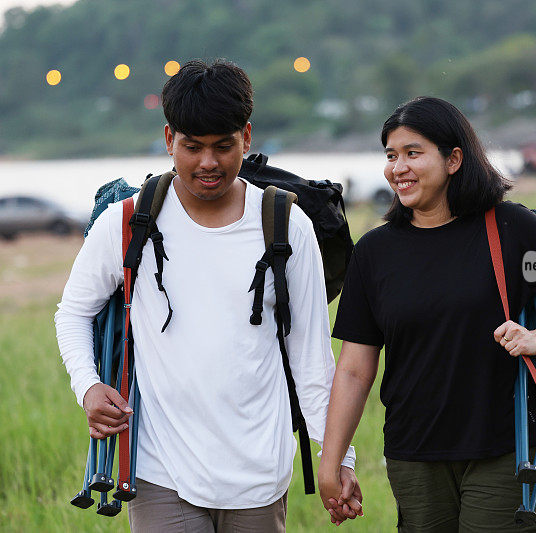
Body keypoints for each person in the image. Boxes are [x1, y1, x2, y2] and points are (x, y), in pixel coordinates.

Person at [55, 59, 360, 532]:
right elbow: (73, 311)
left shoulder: (286, 226)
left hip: (260, 472)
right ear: (168, 138)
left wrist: (339, 458)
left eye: (224, 146)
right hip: (160, 470)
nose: (208, 163)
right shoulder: (127, 221)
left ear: (248, 137)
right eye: (192, 147)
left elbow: (311, 361)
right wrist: (87, 385)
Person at [318, 96, 536, 532]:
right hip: (413, 454)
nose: (397, 168)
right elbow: (354, 369)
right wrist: (332, 462)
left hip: (506, 449)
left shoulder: (512, 228)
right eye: (391, 155)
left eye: (413, 153)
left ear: (454, 159)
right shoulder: (374, 253)